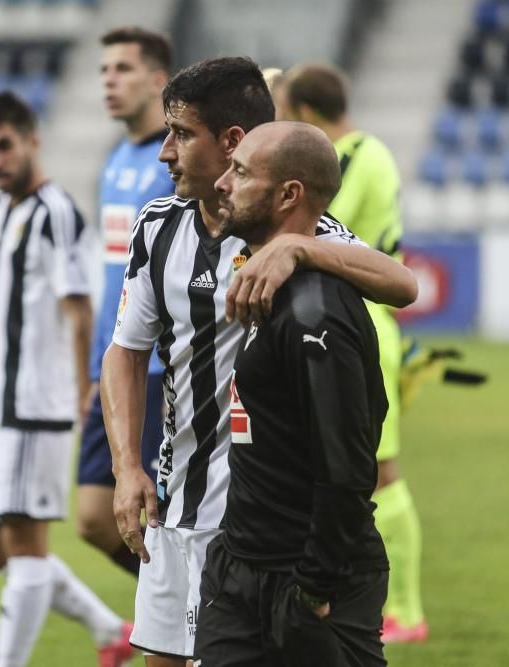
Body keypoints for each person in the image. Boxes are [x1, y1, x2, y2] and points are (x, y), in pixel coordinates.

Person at [101, 57, 417, 665]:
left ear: (232, 142)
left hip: (262, 523)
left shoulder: (303, 233)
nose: (164, 152)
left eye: (181, 134)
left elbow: (402, 285)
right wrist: (126, 468)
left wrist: (302, 246)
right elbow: (126, 350)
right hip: (178, 499)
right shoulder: (157, 227)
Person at [0, 92, 133, 667]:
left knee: (27, 548)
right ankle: (109, 629)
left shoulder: (56, 213)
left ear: (31, 140)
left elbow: (79, 311)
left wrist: (82, 391)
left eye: (3, 145)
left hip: (34, 406)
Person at [194, 120, 389, 666]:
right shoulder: (268, 284)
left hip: (310, 579)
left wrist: (315, 587)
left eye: (240, 172)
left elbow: (346, 462)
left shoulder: (315, 309)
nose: (222, 184)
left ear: (288, 195)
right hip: (239, 569)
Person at [276, 63, 427, 643]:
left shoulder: (359, 157)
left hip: (363, 322)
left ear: (308, 113)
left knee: (379, 475)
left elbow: (319, 221)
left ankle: (406, 612)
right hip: (349, 321)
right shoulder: (370, 151)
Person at [77, 27, 176, 578]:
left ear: (157, 81)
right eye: (104, 71)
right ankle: (189, 609)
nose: (109, 81)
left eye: (123, 69)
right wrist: (93, 370)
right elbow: (112, 273)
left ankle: (190, 627)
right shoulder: (115, 160)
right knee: (93, 519)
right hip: (112, 364)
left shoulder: (176, 160)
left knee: (156, 514)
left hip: (158, 368)